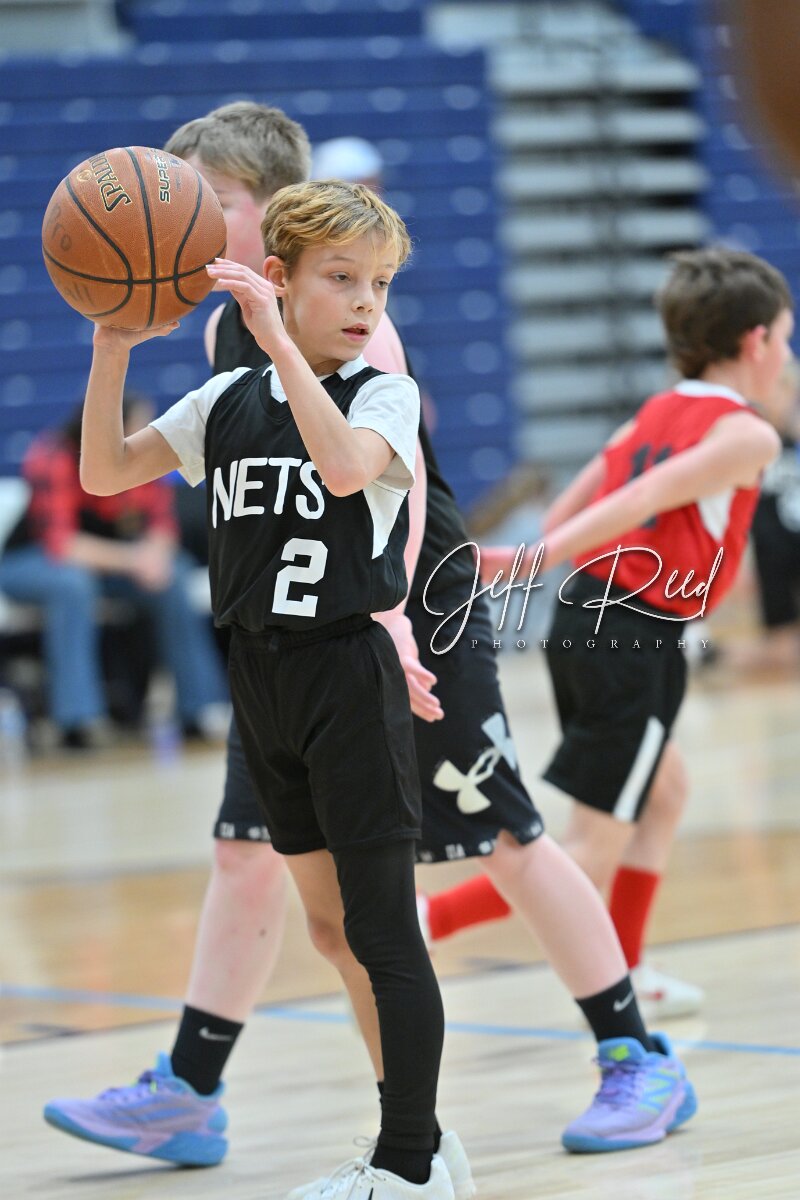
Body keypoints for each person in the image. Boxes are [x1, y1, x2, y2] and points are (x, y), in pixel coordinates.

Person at [44, 104, 696, 1184]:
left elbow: (377, 487)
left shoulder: (360, 334)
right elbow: (118, 466)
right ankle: (211, 1089)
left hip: (404, 614)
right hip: (281, 641)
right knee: (258, 860)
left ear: (265, 211)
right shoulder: (227, 349)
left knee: (503, 838)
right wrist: (114, 336)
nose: (187, 216)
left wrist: (391, 623)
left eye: (207, 197)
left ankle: (630, 1054)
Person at [77, 178, 461, 1200]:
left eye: (379, 283)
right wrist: (113, 343)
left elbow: (343, 472)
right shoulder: (226, 402)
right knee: (329, 931)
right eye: (342, 278)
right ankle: (427, 1148)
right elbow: (105, 473)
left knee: (381, 930)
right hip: (260, 682)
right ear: (282, 276)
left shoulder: (382, 394)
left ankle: (409, 1163)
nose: (365, 300)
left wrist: (277, 340)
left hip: (346, 673)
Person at [478, 246, 790, 1020]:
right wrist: (530, 559)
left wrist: (542, 550)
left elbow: (572, 506)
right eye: (786, 339)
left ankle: (630, 964)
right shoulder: (749, 434)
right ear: (756, 340)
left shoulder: (653, 413)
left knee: (664, 791)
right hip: (635, 634)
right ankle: (431, 922)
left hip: (583, 616)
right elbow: (642, 498)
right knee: (594, 839)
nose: (787, 357)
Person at [0, 390, 227, 748]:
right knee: (72, 585)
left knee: (174, 573)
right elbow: (62, 544)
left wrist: (155, 556)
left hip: (106, 566)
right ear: (113, 424)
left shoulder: (141, 457)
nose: (149, 428)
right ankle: (77, 721)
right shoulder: (54, 455)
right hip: (31, 562)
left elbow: (163, 524)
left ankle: (199, 709)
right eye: (141, 422)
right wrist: (135, 560)